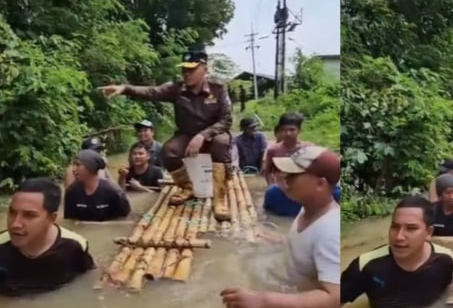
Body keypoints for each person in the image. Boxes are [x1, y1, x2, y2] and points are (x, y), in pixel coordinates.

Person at [98, 49, 234, 222]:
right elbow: (151, 92)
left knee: (221, 143)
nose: (187, 73)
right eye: (184, 69)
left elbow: (226, 119)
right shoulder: (176, 89)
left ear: (205, 69)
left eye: (192, 69)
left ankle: (220, 199)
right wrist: (124, 88)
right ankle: (187, 187)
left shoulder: (218, 88)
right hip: (187, 134)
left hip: (214, 133)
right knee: (169, 151)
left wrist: (203, 135)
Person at [220, 146, 340, 308]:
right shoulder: (308, 210)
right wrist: (283, 240)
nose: (285, 179)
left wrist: (264, 301)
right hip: (292, 291)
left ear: (320, 184)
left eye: (293, 175)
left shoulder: (330, 231)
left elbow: (335, 301)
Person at [341, 195, 453, 308]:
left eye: (411, 228)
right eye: (395, 227)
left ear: (428, 232)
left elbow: (447, 290)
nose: (399, 237)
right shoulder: (366, 265)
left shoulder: (445, 259)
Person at [0, 178, 95, 296]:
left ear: (51, 218)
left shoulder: (74, 246)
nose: (15, 224)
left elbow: (88, 281)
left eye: (29, 215)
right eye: (12, 213)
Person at [64, 149, 131, 221]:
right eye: (73, 164)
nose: (73, 169)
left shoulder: (113, 192)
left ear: (90, 167)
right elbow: (69, 222)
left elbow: (125, 221)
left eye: (78, 165)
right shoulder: (71, 192)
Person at [262, 112, 308, 184]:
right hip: (282, 189)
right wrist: (272, 186)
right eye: (284, 130)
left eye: (292, 130)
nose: (288, 133)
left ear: (299, 130)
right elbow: (267, 171)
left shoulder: (308, 149)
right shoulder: (273, 150)